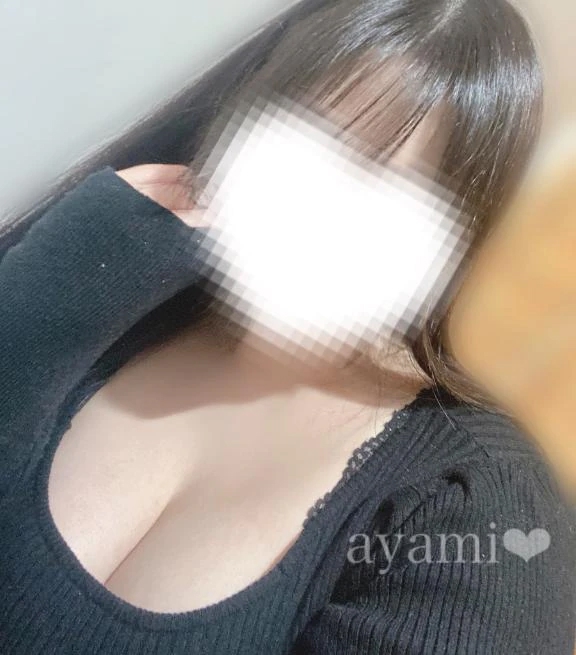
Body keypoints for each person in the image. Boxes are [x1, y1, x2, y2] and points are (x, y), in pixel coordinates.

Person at [0, 0, 574, 653]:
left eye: (400, 188)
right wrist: (54, 286)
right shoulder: (115, 290)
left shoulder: (476, 503)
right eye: (309, 138)